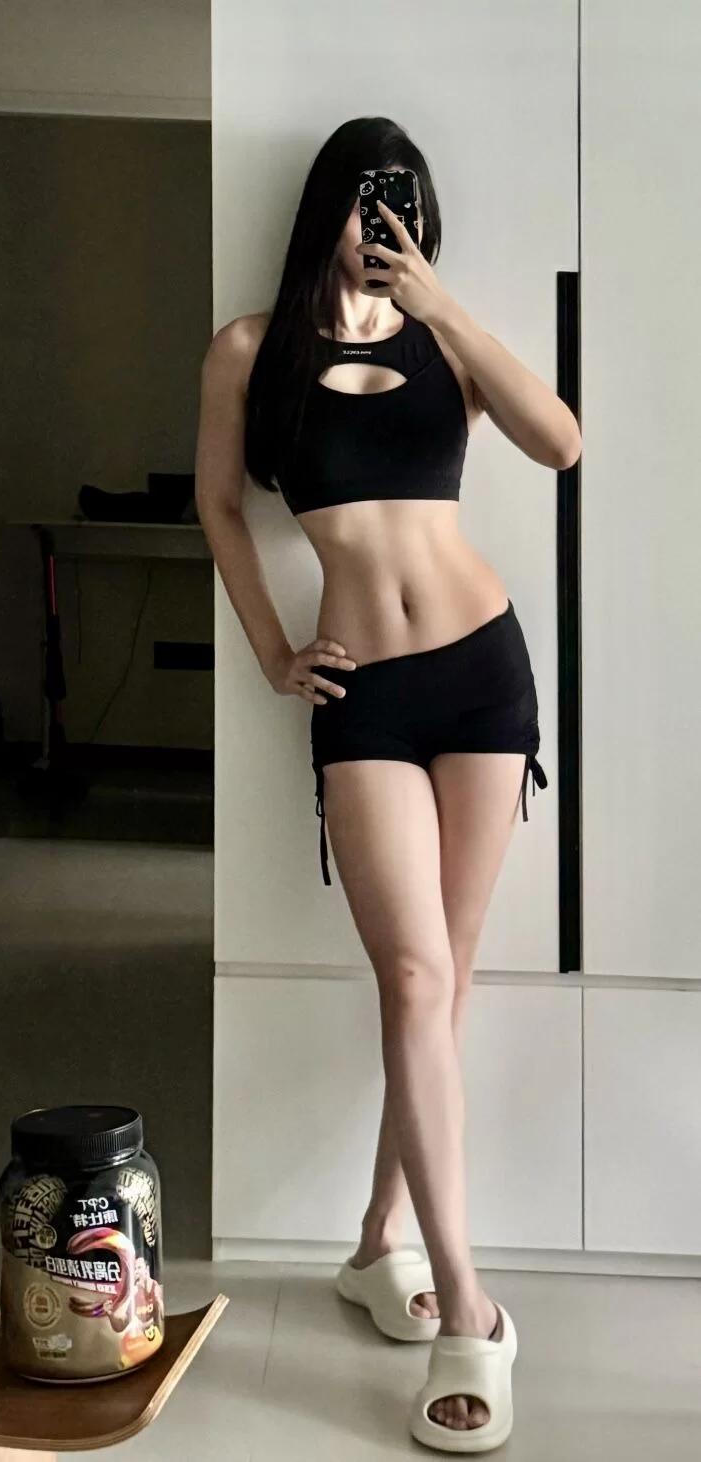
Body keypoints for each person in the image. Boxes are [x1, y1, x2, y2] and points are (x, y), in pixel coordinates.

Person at [195, 116, 581, 1454]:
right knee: (415, 978)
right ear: (328, 207)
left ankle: (377, 1243)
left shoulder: (441, 341)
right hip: (361, 695)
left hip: (483, 676)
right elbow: (218, 503)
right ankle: (470, 1309)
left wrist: (442, 303)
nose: (385, 219)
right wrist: (268, 651)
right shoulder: (250, 349)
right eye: (369, 198)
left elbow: (560, 442)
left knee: (443, 983)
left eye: (404, 200)